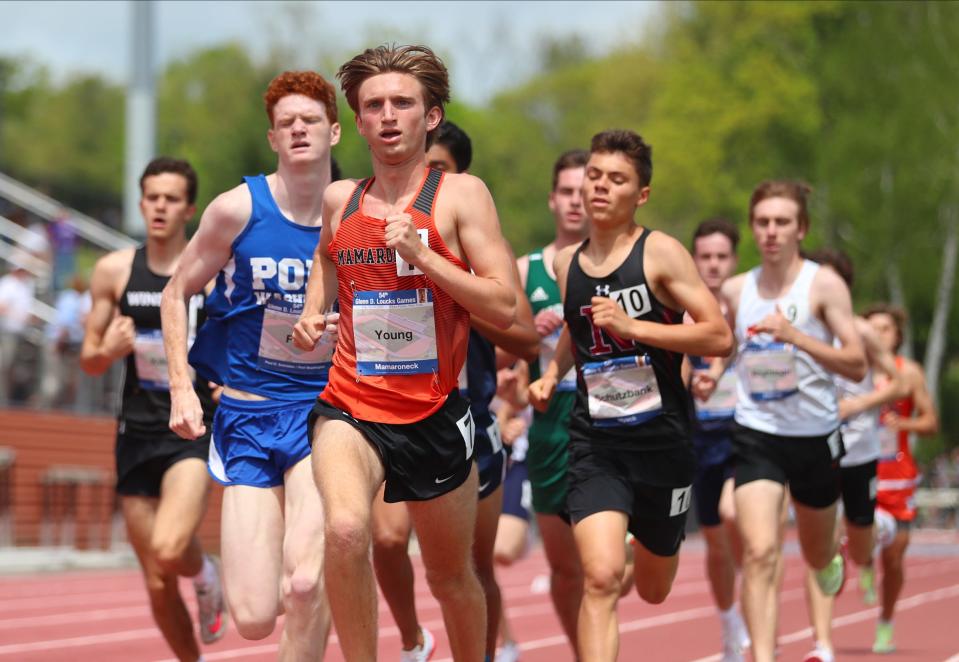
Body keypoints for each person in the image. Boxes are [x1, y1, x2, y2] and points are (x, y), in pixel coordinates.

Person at [292, 44, 519, 662]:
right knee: (344, 530)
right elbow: (325, 262)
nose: (388, 116)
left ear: (432, 116)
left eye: (402, 103)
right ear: (358, 122)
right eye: (374, 106)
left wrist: (425, 257)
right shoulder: (341, 199)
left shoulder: (462, 196)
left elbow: (506, 307)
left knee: (452, 580)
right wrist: (314, 314)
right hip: (351, 405)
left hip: (435, 412)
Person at [529, 129, 733, 661]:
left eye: (615, 180)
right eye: (593, 176)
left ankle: (648, 537)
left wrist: (635, 327)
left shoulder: (660, 253)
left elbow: (718, 335)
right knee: (598, 578)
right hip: (596, 442)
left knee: (653, 588)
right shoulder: (566, 263)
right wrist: (552, 374)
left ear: (640, 194)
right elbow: (580, 330)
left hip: (662, 442)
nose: (598, 188)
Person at [161, 71, 340, 658]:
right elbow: (175, 291)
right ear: (272, 138)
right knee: (257, 616)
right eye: (286, 122)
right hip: (246, 417)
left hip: (326, 420)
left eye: (309, 120)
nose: (298, 130)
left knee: (308, 582)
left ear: (334, 131)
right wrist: (182, 389)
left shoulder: (360, 213)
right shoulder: (238, 209)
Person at [369, 119, 538, 662]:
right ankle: (413, 643)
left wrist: (454, 287)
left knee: (469, 567)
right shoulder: (378, 226)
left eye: (437, 170)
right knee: (388, 539)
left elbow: (527, 336)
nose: (425, 180)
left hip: (464, 417)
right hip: (389, 410)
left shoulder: (483, 240)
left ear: (461, 178)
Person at [80, 157, 225, 662]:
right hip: (135, 432)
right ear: (141, 202)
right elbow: (89, 358)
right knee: (158, 582)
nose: (160, 207)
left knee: (169, 548)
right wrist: (107, 351)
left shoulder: (211, 273)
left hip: (190, 429)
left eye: (171, 198)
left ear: (189, 208)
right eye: (152, 197)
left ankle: (205, 570)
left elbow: (239, 339)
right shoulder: (115, 270)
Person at [719, 181, 867, 662]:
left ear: (800, 228)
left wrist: (796, 337)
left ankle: (830, 554)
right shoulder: (737, 289)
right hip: (756, 432)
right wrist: (707, 378)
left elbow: (856, 363)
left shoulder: (823, 284)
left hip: (815, 436)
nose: (771, 232)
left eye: (782, 222)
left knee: (816, 553)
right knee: (760, 550)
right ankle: (763, 655)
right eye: (762, 222)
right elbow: (726, 351)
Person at [798, 249, 906, 662]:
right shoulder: (797, 325)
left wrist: (858, 406)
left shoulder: (860, 330)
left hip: (860, 452)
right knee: (816, 549)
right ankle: (821, 644)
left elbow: (897, 384)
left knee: (861, 551)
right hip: (813, 446)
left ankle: (874, 532)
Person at [515, 149, 590, 655]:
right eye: (567, 191)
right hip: (548, 419)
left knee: (607, 568)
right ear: (552, 200)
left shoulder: (622, 264)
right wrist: (525, 335)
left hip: (607, 412)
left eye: (586, 191)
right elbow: (505, 353)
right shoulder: (526, 269)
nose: (577, 202)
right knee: (566, 571)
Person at [686, 218, 751, 662]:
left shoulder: (750, 306)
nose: (712, 265)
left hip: (747, 434)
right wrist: (691, 379)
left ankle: (757, 603)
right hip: (700, 439)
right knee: (714, 539)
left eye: (721, 257)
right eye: (705, 256)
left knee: (736, 518)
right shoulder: (682, 310)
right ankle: (730, 621)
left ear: (734, 260)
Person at [863, 303, 939, 654]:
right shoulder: (852, 370)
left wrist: (903, 424)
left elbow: (930, 422)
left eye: (886, 329)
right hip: (860, 472)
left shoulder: (908, 372)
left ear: (897, 336)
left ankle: (886, 621)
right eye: (872, 327)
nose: (878, 334)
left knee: (893, 559)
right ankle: (862, 558)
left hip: (898, 476)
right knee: (855, 534)